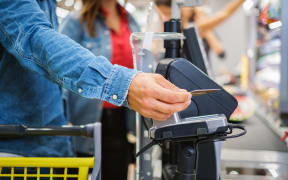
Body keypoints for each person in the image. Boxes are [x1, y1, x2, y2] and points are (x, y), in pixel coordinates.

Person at [0, 0, 191, 157]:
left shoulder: (128, 19)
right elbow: (38, 42)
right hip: (19, 146)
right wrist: (123, 84)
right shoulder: (77, 20)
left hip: (61, 133)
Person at [59, 0, 139, 179]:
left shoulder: (129, 20)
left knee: (116, 172)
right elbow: (60, 71)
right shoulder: (76, 21)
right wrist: (62, 117)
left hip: (122, 118)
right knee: (85, 170)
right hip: (85, 117)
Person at [156, 0, 245, 58]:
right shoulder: (172, 29)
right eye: (162, 14)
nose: (165, 18)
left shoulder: (195, 26)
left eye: (168, 13)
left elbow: (224, 14)